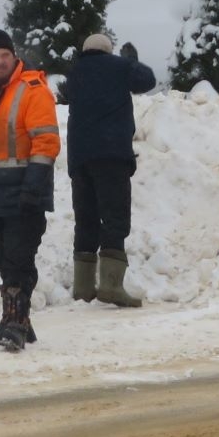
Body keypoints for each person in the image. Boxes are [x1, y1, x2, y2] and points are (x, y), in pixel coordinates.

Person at [0, 28, 60, 352]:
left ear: (13, 56)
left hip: (24, 194)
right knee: (2, 258)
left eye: (4, 55)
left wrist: (33, 187)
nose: (0, 61)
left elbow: (46, 143)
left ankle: (16, 324)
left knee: (19, 258)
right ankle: (14, 320)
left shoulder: (33, 90)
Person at [60, 32, 156, 307]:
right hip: (111, 155)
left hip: (80, 159)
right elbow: (147, 81)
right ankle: (112, 286)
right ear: (108, 50)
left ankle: (83, 288)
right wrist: (131, 63)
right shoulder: (118, 67)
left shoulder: (75, 73)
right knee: (114, 218)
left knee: (86, 219)